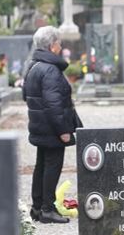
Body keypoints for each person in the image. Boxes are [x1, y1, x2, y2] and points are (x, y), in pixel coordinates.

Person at [23, 26, 82, 224]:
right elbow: (53, 104)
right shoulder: (50, 70)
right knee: (51, 167)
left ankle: (38, 208)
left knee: (41, 166)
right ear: (52, 46)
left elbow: (27, 96)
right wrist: (63, 131)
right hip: (52, 129)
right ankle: (47, 209)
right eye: (58, 42)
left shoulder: (34, 66)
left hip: (40, 126)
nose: (60, 45)